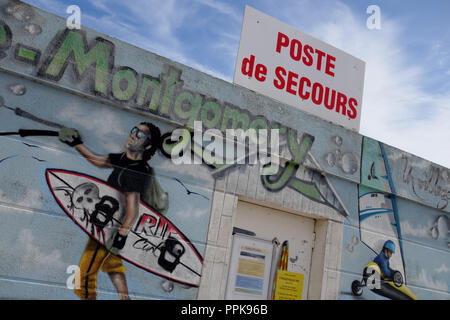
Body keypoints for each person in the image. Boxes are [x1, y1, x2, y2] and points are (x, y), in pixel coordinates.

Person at [59, 122, 168, 300]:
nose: (133, 135)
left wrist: (120, 236)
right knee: (111, 262)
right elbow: (97, 160)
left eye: (140, 135)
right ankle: (125, 298)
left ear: (147, 146)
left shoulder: (137, 171)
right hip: (105, 220)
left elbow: (133, 210)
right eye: (134, 130)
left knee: (84, 279)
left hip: (111, 228)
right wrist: (75, 143)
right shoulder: (123, 159)